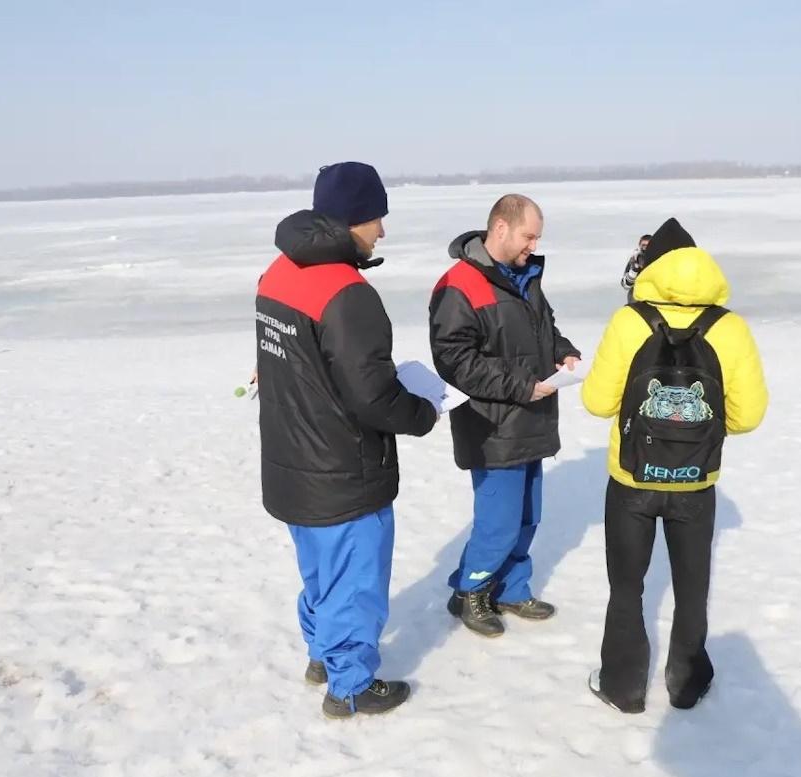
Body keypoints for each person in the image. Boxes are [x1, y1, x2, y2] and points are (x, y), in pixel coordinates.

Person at [255, 162, 437, 719]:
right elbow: (372, 397)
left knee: (321, 574)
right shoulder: (347, 292)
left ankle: (322, 656)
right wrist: (425, 410)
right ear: (354, 218)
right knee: (354, 581)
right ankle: (350, 685)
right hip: (342, 469)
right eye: (377, 216)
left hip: (291, 462)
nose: (381, 230)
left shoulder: (277, 272)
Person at [580, 217, 768, 713]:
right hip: (695, 483)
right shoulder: (730, 327)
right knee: (692, 587)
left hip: (631, 481)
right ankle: (686, 683)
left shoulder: (629, 321)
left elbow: (598, 403)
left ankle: (623, 685)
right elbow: (749, 415)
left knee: (626, 587)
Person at [429, 194, 580, 638]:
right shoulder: (459, 285)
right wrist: (519, 386)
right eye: (528, 236)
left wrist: (564, 352)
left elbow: (545, 329)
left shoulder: (526, 277)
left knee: (528, 516)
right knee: (498, 523)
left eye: (537, 237)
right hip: (492, 425)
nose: (533, 245)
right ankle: (469, 592)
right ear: (500, 228)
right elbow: (454, 359)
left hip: (533, 416)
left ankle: (512, 587)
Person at [620, 234, 652, 302]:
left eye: (648, 246)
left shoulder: (659, 259)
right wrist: (634, 269)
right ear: (639, 246)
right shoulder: (635, 260)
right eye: (643, 245)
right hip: (637, 301)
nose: (645, 248)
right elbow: (625, 285)